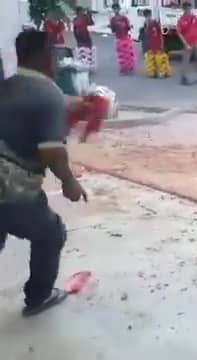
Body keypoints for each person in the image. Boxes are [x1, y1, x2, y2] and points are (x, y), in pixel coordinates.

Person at [0, 29, 87, 317]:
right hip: (11, 186)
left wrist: (72, 104)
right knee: (51, 233)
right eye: (52, 51)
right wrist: (68, 181)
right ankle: (39, 296)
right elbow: (51, 150)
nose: (56, 58)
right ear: (42, 55)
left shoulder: (11, 84)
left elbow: (37, 107)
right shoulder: (48, 93)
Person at [177, 1, 197, 85]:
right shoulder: (181, 20)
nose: (188, 10)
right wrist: (186, 44)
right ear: (183, 9)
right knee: (186, 60)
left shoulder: (194, 17)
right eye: (186, 8)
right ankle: (183, 78)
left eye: (189, 8)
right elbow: (179, 33)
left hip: (196, 42)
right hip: (188, 43)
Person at [142, 9, 171, 78]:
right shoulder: (145, 24)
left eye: (148, 16)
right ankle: (152, 72)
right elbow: (146, 35)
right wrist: (147, 24)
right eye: (146, 16)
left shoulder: (155, 23)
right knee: (151, 59)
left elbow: (160, 34)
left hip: (157, 43)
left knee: (160, 59)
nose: (147, 17)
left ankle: (163, 72)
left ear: (150, 15)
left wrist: (162, 43)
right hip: (150, 44)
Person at [110, 3, 135, 75]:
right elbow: (113, 30)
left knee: (128, 53)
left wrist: (129, 27)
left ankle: (130, 66)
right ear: (113, 10)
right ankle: (124, 68)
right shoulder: (113, 19)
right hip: (119, 39)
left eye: (116, 8)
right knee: (121, 55)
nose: (115, 10)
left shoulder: (124, 18)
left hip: (126, 37)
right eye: (114, 9)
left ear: (119, 9)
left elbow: (128, 27)